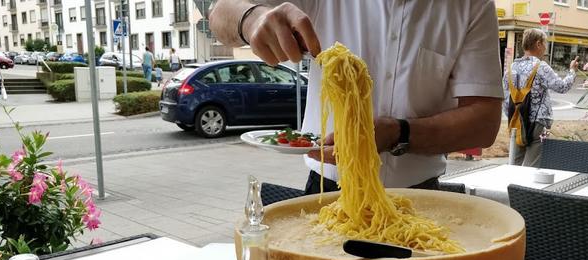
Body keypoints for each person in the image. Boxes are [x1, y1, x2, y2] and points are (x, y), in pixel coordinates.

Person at [209, 1, 504, 194]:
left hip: (419, 195)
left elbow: (483, 122)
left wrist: (396, 133)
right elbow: (220, 12)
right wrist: (252, 18)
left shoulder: (472, 5)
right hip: (327, 190)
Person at [502, 28, 579, 167]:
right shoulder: (541, 67)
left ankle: (510, 187)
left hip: (517, 122)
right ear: (538, 44)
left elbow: (506, 99)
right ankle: (526, 188)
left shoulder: (511, 68)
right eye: (545, 44)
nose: (545, 48)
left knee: (514, 164)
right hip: (539, 123)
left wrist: (515, 116)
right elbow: (562, 87)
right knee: (532, 167)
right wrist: (572, 71)